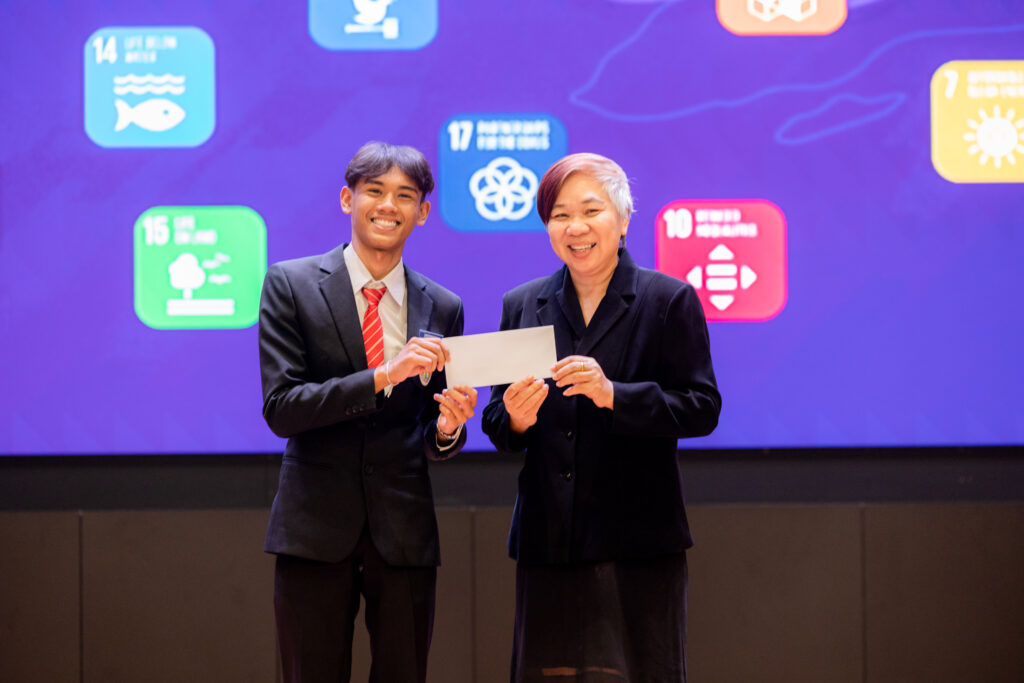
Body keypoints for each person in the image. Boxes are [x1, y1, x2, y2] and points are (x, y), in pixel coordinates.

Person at [482, 153, 721, 682]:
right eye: (560, 215)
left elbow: (702, 407)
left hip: (638, 542)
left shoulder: (667, 300)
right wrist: (516, 419)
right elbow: (497, 420)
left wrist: (614, 394)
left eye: (590, 211)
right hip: (549, 541)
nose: (576, 227)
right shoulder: (523, 304)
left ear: (623, 218)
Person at [259, 141, 478, 683]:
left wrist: (448, 428)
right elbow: (282, 409)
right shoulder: (291, 284)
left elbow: (432, 434)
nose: (388, 206)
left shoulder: (443, 305)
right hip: (314, 530)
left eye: (405, 195)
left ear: (422, 212)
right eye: (374, 191)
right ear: (347, 199)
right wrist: (383, 375)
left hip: (403, 532)